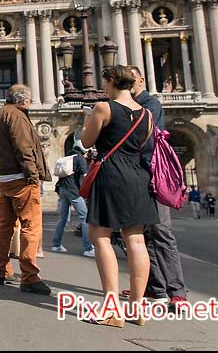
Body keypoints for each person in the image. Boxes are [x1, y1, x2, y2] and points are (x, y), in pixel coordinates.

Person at [80, 65, 157, 327]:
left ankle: (112, 309)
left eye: (106, 83)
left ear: (112, 82)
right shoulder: (146, 114)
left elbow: (87, 141)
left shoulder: (104, 108)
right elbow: (144, 144)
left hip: (111, 175)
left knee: (100, 237)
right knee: (136, 240)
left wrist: (87, 118)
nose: (104, 88)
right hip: (138, 177)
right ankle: (137, 308)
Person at [128, 65, 187, 311]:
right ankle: (155, 285)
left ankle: (177, 291)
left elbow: (142, 129)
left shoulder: (149, 104)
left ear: (141, 80)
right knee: (143, 233)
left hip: (153, 175)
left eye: (128, 81)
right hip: (137, 175)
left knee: (162, 232)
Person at [0, 84, 52, 295]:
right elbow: (24, 148)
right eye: (29, 100)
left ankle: (1, 270)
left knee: (5, 226)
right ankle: (30, 276)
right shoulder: (17, 117)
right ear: (23, 100)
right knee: (30, 226)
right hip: (20, 178)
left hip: (3, 179)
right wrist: (32, 175)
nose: (30, 104)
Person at [51, 143, 95, 257]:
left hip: (62, 190)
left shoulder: (67, 157)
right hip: (74, 191)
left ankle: (56, 245)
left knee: (63, 219)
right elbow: (86, 176)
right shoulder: (79, 158)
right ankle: (88, 248)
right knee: (85, 218)